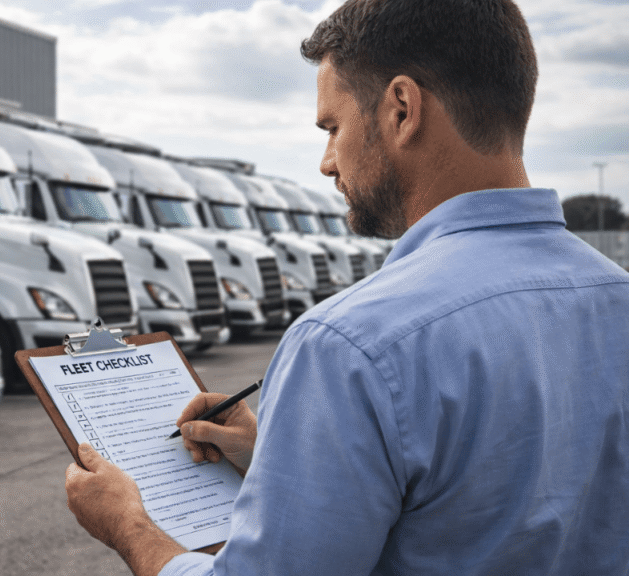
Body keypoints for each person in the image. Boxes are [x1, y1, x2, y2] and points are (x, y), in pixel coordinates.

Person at [64, 0, 629, 574]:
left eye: (333, 128)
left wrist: (130, 527)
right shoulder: (618, 298)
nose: (327, 163)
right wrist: (284, 463)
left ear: (402, 109)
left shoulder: (351, 345)